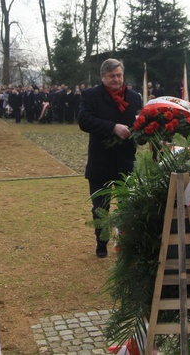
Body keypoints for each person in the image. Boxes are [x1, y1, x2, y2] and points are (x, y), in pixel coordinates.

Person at [79, 58, 142, 258]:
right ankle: (101, 243)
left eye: (119, 75)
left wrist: (141, 133)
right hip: (101, 162)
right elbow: (84, 120)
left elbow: (139, 123)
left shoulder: (134, 97)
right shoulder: (90, 96)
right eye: (112, 76)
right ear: (103, 76)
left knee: (127, 206)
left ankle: (125, 244)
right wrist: (112, 128)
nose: (116, 80)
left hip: (125, 161)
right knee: (100, 208)